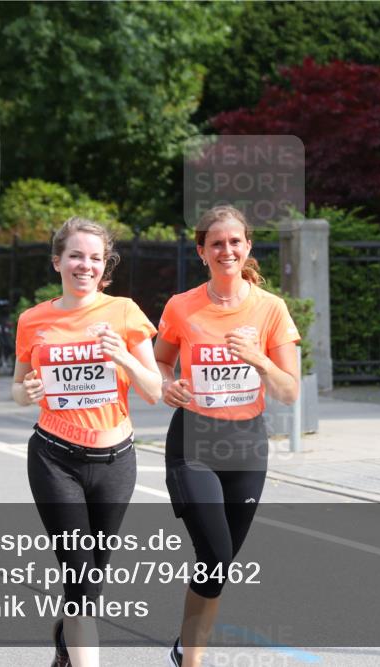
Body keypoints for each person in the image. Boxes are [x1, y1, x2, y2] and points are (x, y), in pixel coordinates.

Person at [154, 206, 301, 667]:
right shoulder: (181, 305)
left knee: (218, 565)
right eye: (216, 243)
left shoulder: (270, 308)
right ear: (201, 252)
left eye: (235, 241)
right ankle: (193, 662)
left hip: (247, 445)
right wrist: (165, 384)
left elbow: (289, 391)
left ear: (248, 247)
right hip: (193, 441)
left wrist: (258, 359)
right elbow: (160, 362)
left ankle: (184, 649)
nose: (227, 250)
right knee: (214, 551)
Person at [12, 217, 162, 667]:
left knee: (92, 575)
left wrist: (123, 358)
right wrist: (29, 392)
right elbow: (18, 389)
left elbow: (154, 391)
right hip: (54, 459)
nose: (85, 265)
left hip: (116, 462)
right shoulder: (33, 320)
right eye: (76, 255)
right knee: (79, 575)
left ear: (105, 266)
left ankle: (65, 640)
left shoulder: (125, 313)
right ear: (58, 261)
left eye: (95, 258)